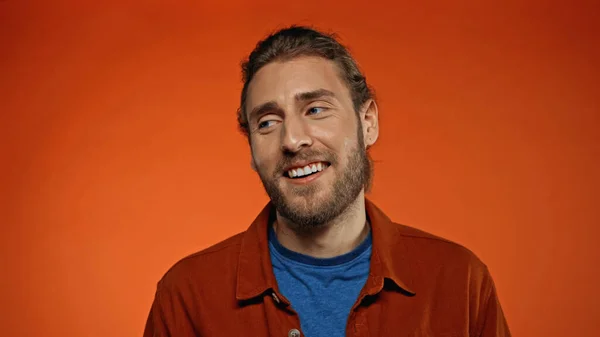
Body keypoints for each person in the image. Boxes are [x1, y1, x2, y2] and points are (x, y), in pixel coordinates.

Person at [143, 26, 511, 337]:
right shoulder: (187, 295)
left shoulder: (460, 282)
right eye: (268, 121)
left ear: (367, 123)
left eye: (316, 109)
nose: (292, 140)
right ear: (252, 147)